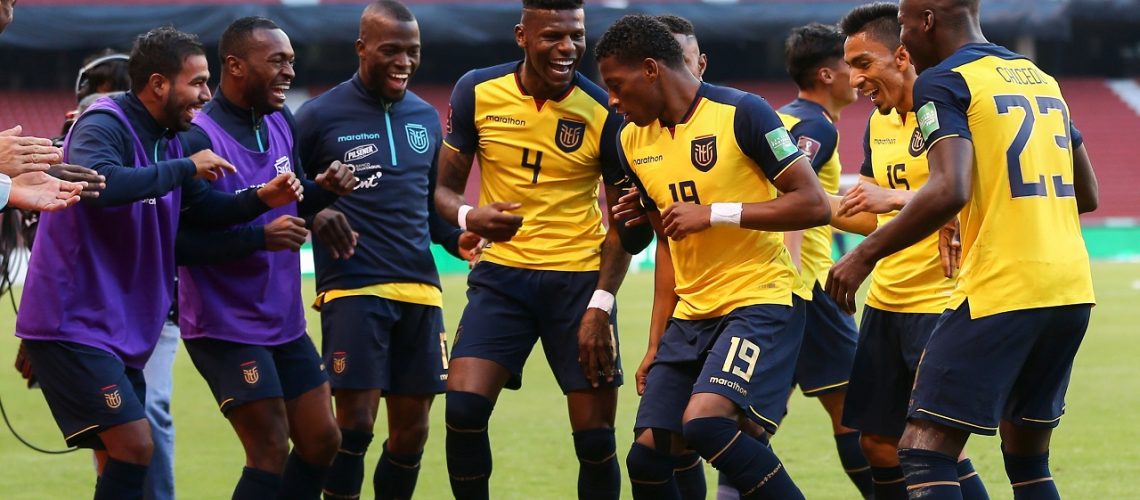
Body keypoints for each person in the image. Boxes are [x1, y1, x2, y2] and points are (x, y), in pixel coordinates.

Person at [14, 26, 301, 499]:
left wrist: (259, 202)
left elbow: (204, 213)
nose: (205, 95)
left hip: (120, 328)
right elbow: (100, 185)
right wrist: (186, 168)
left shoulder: (174, 138)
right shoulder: (103, 122)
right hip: (73, 324)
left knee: (121, 460)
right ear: (158, 84)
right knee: (135, 447)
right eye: (197, 82)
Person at [827, 0, 1098, 497]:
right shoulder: (1035, 76)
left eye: (906, 27)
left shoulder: (944, 80)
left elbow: (949, 188)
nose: (904, 39)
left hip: (1001, 288)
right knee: (1029, 463)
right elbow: (1088, 194)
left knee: (924, 451)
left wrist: (862, 256)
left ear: (927, 21)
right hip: (1070, 288)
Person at [596, 14, 831, 499]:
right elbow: (668, 244)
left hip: (759, 300)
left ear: (650, 69)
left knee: (705, 425)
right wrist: (657, 340)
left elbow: (813, 203)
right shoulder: (629, 140)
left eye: (617, 86)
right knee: (646, 456)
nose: (613, 101)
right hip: (691, 315)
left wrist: (715, 213)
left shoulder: (744, 111)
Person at [433, 0, 650, 498]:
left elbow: (622, 227)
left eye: (576, 35)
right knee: (462, 410)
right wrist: (471, 216)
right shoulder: (476, 90)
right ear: (522, 36)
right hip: (502, 279)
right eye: (553, 35)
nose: (568, 47)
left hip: (578, 285)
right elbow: (444, 192)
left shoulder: (604, 110)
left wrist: (601, 303)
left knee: (595, 441)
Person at [293, 2, 479, 498]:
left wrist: (462, 239)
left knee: (413, 433)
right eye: (390, 50)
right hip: (353, 287)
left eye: (412, 52)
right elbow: (286, 194)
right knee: (353, 425)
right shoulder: (316, 116)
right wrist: (315, 214)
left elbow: (432, 210)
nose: (404, 61)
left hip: (421, 292)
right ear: (362, 49)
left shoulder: (423, 116)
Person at [176, 17, 355, 499]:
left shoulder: (280, 120)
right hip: (224, 325)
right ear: (234, 65)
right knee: (270, 449)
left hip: (283, 320)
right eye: (277, 61)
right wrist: (260, 240)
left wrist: (324, 193)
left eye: (292, 61)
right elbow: (180, 244)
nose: (289, 72)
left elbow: (292, 197)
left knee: (321, 440)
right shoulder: (198, 138)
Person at [828, 3, 990, 499]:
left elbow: (974, 191)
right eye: (848, 66)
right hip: (886, 303)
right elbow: (866, 212)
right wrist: (793, 201)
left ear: (902, 55)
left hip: (941, 304)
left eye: (863, 65)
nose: (853, 81)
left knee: (935, 446)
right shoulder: (877, 124)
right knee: (877, 443)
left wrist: (901, 198)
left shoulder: (951, 108)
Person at [771, 21, 873, 500]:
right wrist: (790, 273)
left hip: (773, 286)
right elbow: (794, 196)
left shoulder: (782, 118)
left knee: (755, 415)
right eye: (850, 64)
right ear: (827, 75)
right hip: (806, 287)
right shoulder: (813, 126)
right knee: (855, 407)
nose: (857, 74)